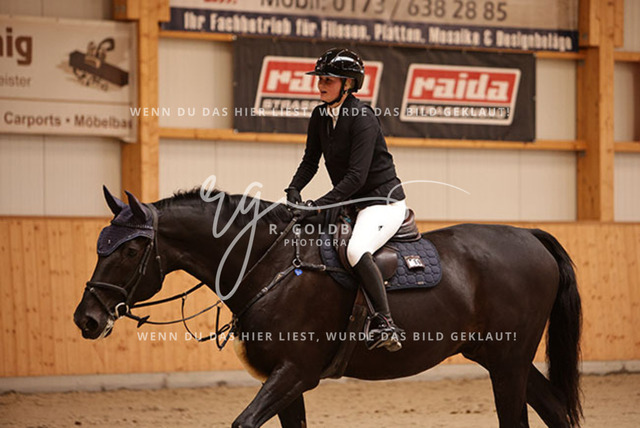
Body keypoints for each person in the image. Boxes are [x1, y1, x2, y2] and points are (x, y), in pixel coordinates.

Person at [285, 48, 407, 352]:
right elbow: (310, 161)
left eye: (327, 80)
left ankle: (385, 322)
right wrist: (294, 189)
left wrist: (319, 204)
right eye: (319, 79)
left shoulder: (363, 118)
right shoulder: (320, 116)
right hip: (351, 201)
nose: (320, 85)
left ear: (348, 84)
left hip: (381, 202)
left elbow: (356, 176)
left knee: (355, 250)